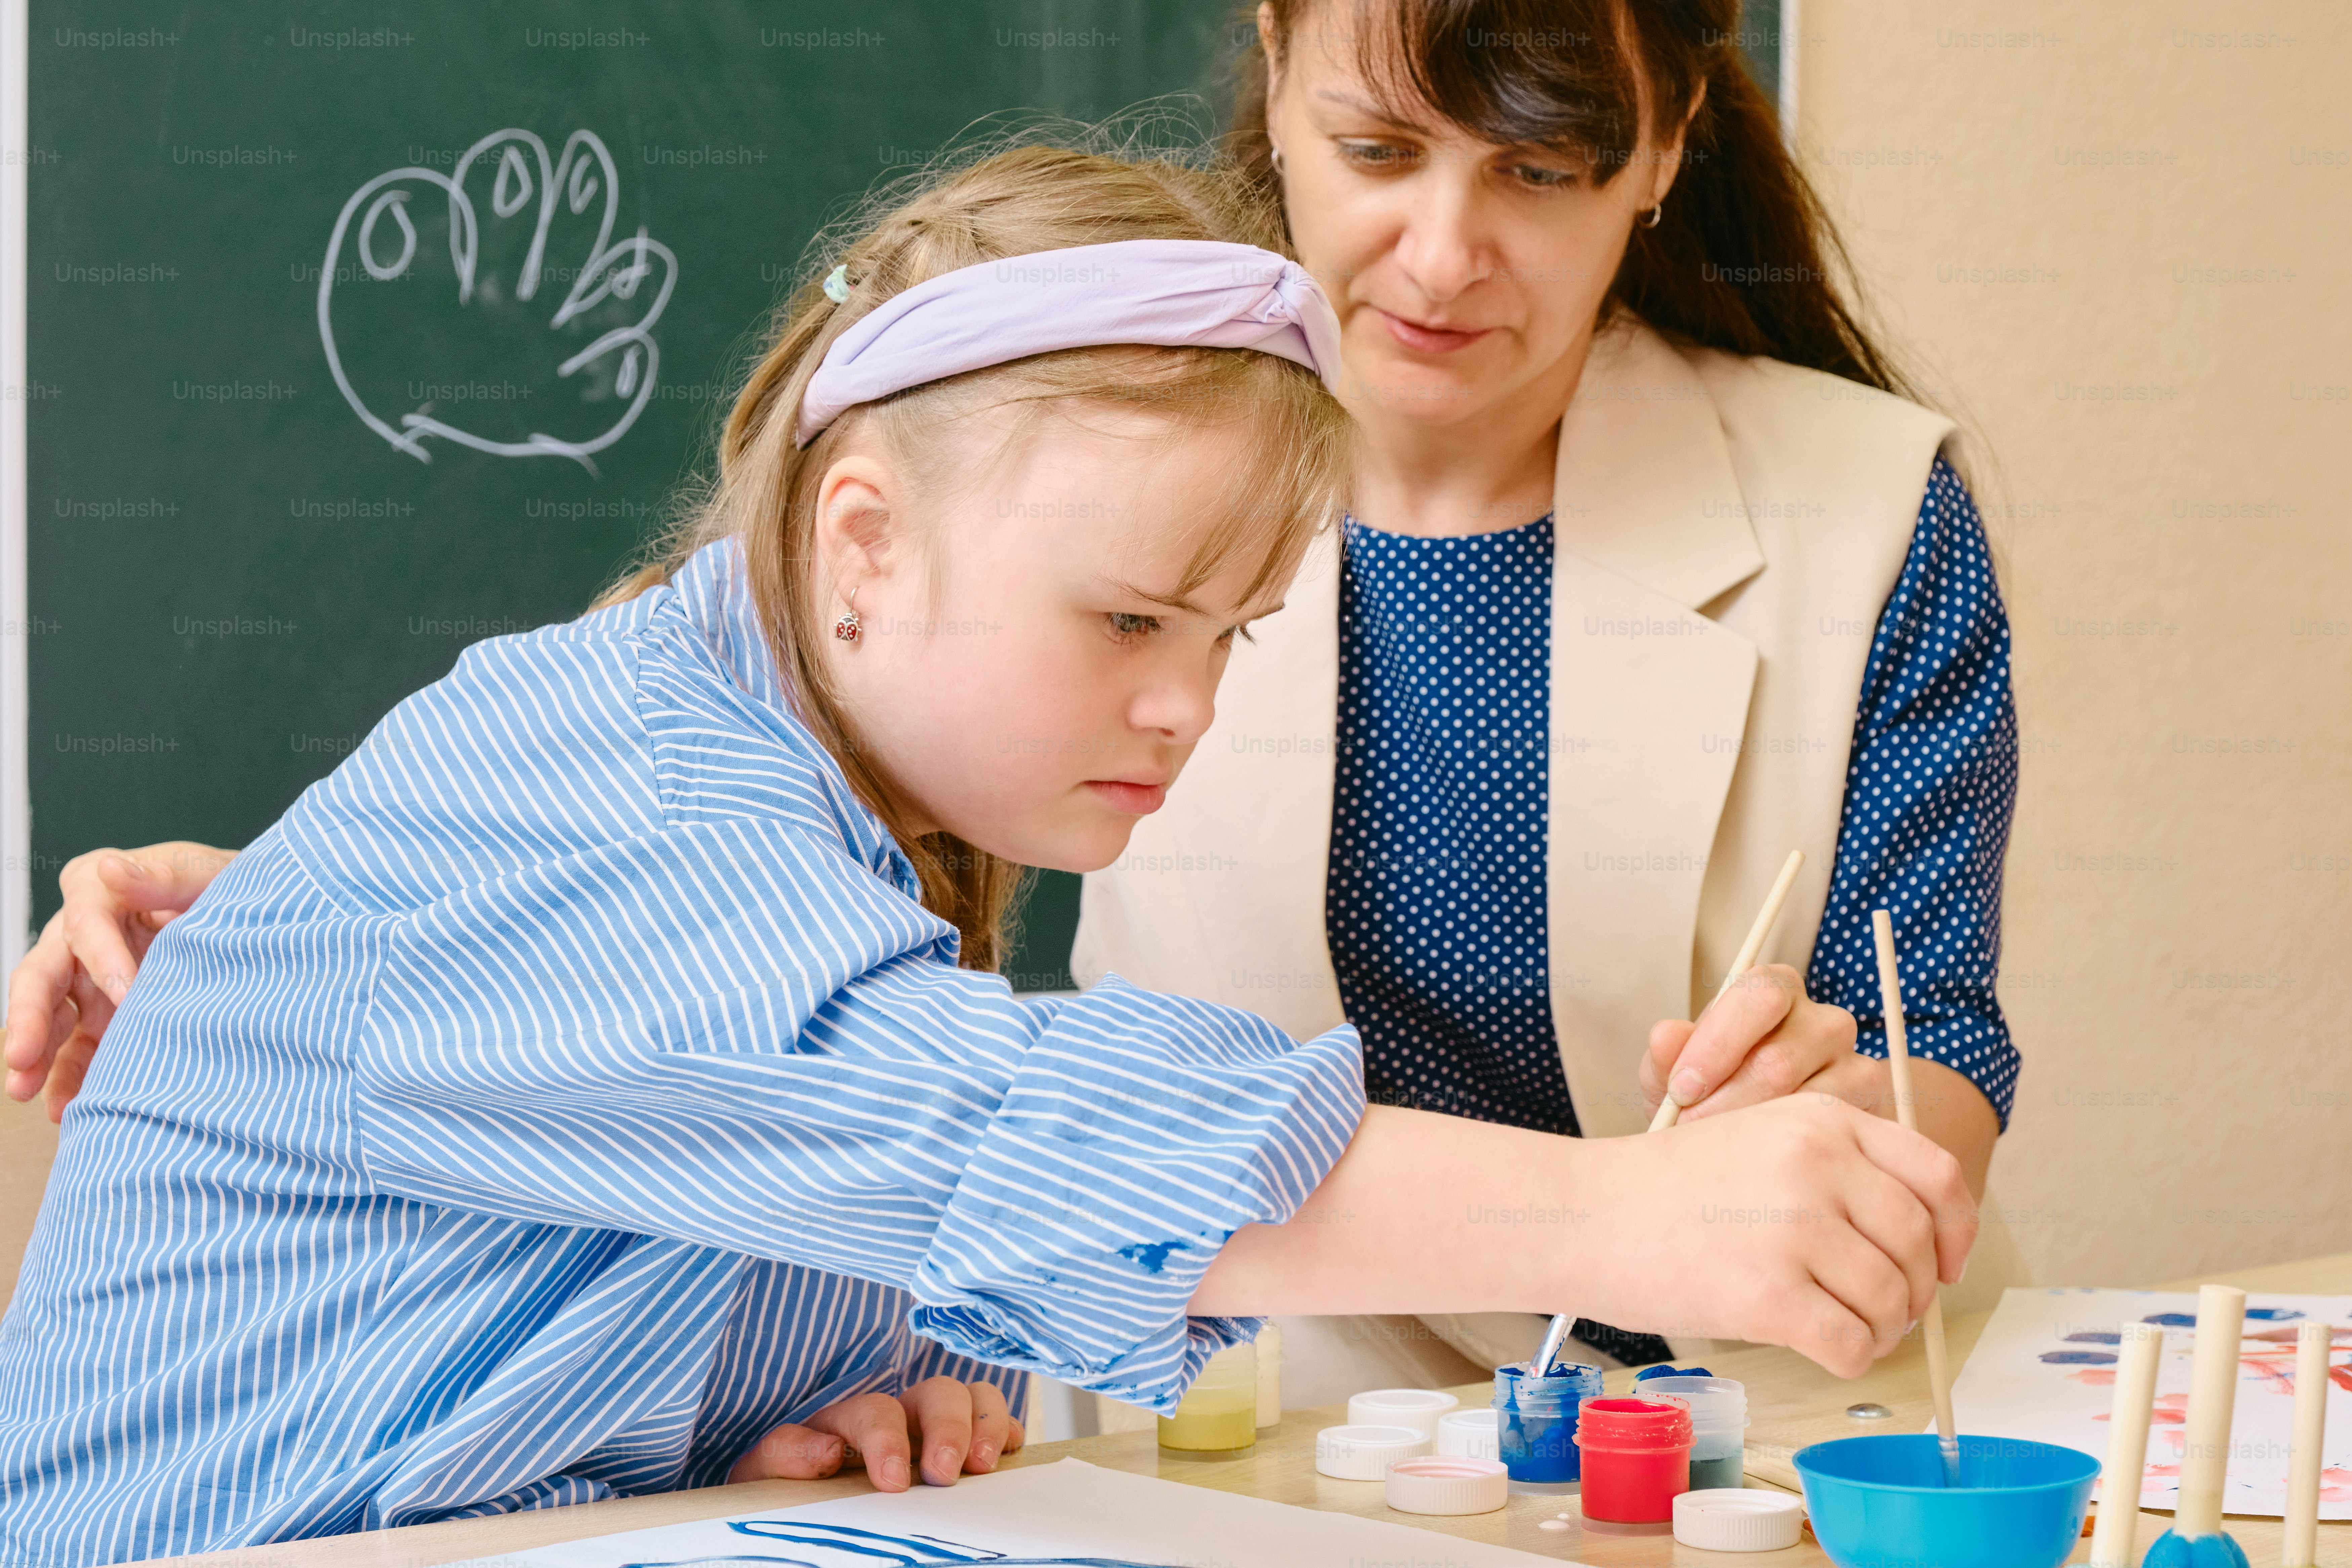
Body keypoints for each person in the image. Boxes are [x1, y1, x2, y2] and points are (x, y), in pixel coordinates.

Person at [0, 144, 1971, 1567]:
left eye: (1229, 634)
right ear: (861, 538)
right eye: (1128, 623)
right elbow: (989, 1125)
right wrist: (1626, 1218)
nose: (1186, 708)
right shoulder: (624, 793)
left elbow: (761, 1174)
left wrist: (830, 1389)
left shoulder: (820, 820)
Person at [1065, 0, 2020, 1391]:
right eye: (1378, 151)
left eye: (1537, 170)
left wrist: (1838, 1122)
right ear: (1273, 66)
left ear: (1664, 144)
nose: (1442, 259)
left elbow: (1934, 1041)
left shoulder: (1867, 508)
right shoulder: (1085, 461)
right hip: (1282, 1432)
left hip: (1769, 1415)